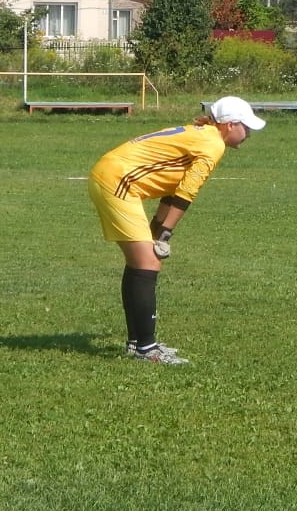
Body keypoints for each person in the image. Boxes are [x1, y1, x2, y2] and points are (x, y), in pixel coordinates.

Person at [86, 95, 266, 364]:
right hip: (118, 181)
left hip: (112, 177)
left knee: (141, 262)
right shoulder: (212, 144)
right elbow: (187, 192)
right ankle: (147, 350)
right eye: (246, 126)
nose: (248, 133)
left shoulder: (204, 136)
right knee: (148, 262)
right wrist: (166, 232)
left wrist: (159, 228)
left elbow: (173, 189)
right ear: (229, 124)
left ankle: (138, 344)